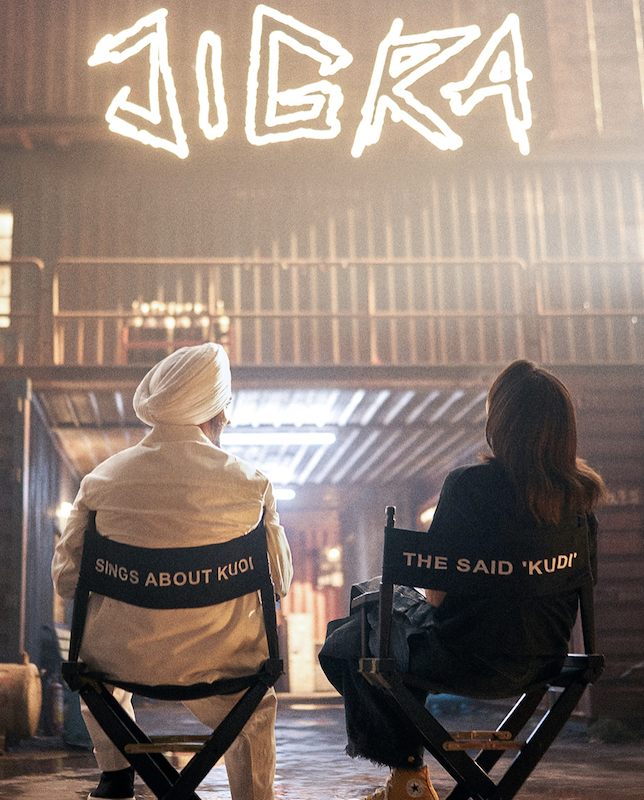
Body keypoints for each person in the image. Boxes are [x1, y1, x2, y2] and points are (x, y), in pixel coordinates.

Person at [319, 360, 605, 800]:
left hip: (461, 657)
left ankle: (408, 776)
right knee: (377, 632)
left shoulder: (469, 486)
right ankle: (410, 782)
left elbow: (435, 597)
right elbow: (578, 592)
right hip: (543, 662)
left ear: (500, 424)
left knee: (357, 631)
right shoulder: (581, 501)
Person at [52, 343, 293, 800]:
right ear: (217, 411)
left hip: (121, 661)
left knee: (99, 673)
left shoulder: (100, 481)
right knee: (253, 710)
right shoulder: (252, 483)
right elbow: (279, 582)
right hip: (221, 662)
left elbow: (66, 581)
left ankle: (116, 775)